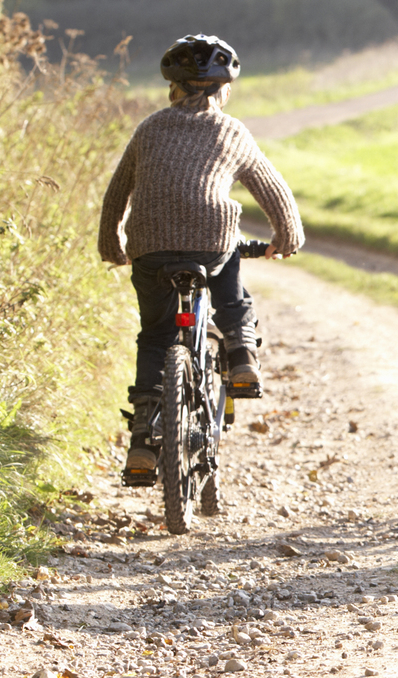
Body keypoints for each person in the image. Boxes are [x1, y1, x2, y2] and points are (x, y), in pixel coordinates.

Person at [98, 33, 304, 483]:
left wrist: (111, 245)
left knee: (156, 336)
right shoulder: (232, 131)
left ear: (174, 88)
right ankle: (241, 349)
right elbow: (273, 191)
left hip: (149, 245)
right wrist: (288, 237)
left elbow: (117, 195)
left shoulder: (150, 128)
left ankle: (142, 446)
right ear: (222, 88)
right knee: (227, 269)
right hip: (211, 239)